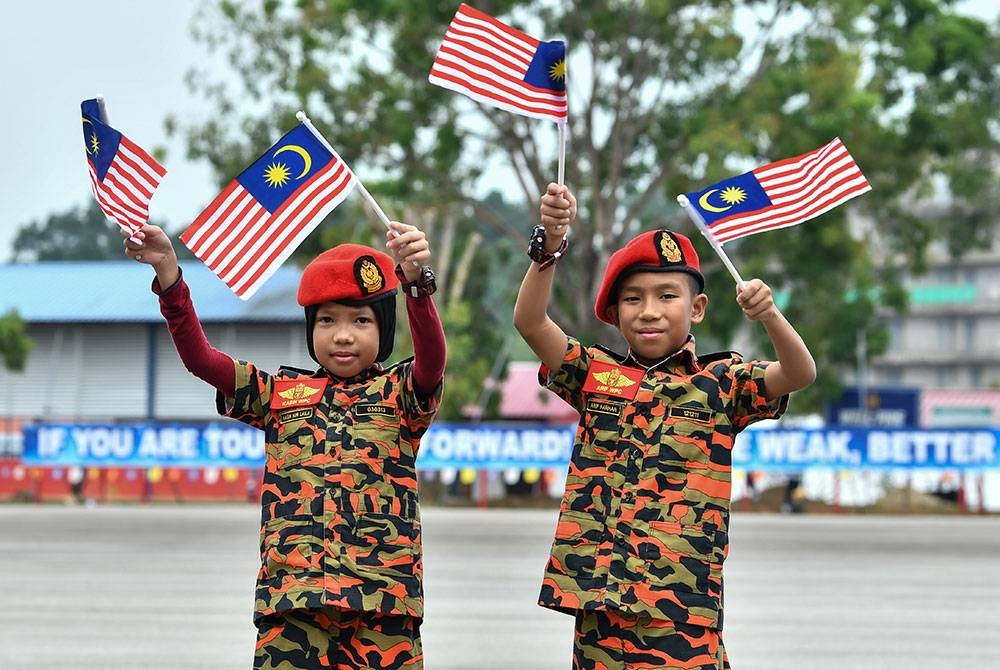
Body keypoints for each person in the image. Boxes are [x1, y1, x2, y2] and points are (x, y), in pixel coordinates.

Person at [513, 183, 816, 669]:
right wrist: (548, 246)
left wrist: (770, 316)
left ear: (696, 308)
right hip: (600, 597)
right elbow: (530, 322)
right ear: (614, 314)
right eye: (632, 299)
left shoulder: (721, 383)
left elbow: (799, 374)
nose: (649, 310)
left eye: (666, 295)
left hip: (681, 603)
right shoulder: (594, 375)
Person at [124, 221, 445, 670]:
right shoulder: (279, 395)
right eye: (327, 320)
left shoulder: (401, 394)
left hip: (383, 606)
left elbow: (432, 362)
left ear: (383, 329)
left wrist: (416, 288)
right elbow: (202, 359)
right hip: (293, 604)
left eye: (361, 320)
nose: (343, 334)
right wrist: (169, 275)